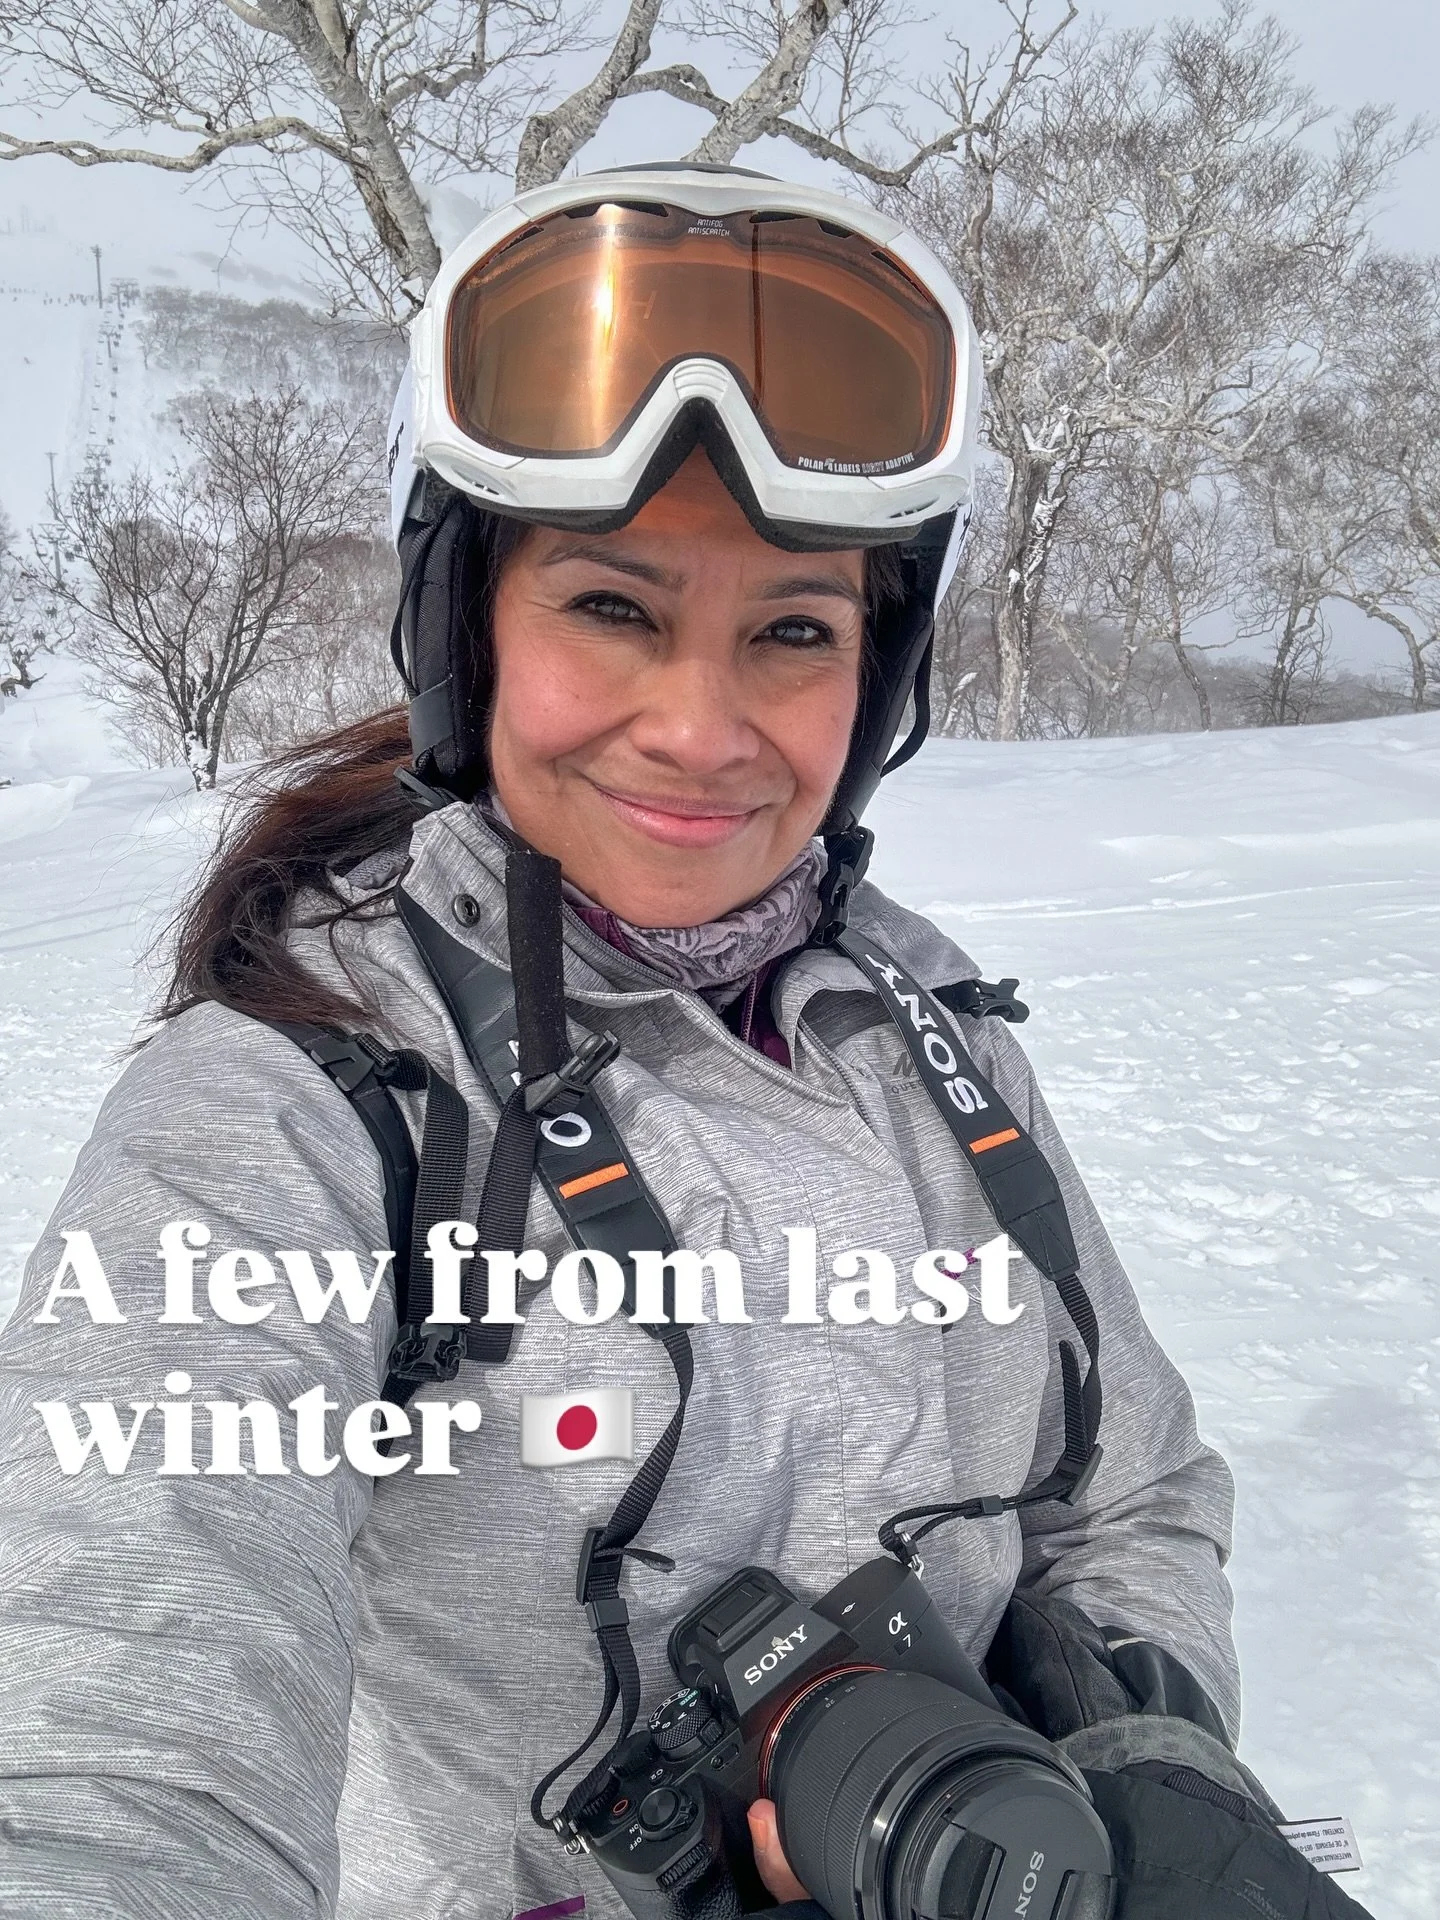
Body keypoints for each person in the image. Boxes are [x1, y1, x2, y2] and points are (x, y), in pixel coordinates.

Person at [0, 166, 1369, 1920]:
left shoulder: (934, 1041)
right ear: (467, 630)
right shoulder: (300, 1099)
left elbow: (1137, 1491)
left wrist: (1132, 1748)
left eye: (793, 629)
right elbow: (112, 1681)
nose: (704, 727)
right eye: (614, 608)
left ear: (874, 681)